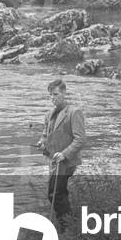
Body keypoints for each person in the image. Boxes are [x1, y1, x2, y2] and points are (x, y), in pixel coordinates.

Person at [35, 79, 87, 231]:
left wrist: (64, 154)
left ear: (64, 93)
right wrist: (42, 143)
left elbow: (80, 139)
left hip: (66, 162)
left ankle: (67, 228)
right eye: (50, 95)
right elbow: (46, 136)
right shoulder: (49, 114)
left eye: (56, 94)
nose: (53, 98)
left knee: (56, 194)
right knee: (58, 194)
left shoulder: (74, 112)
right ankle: (68, 225)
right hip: (54, 161)